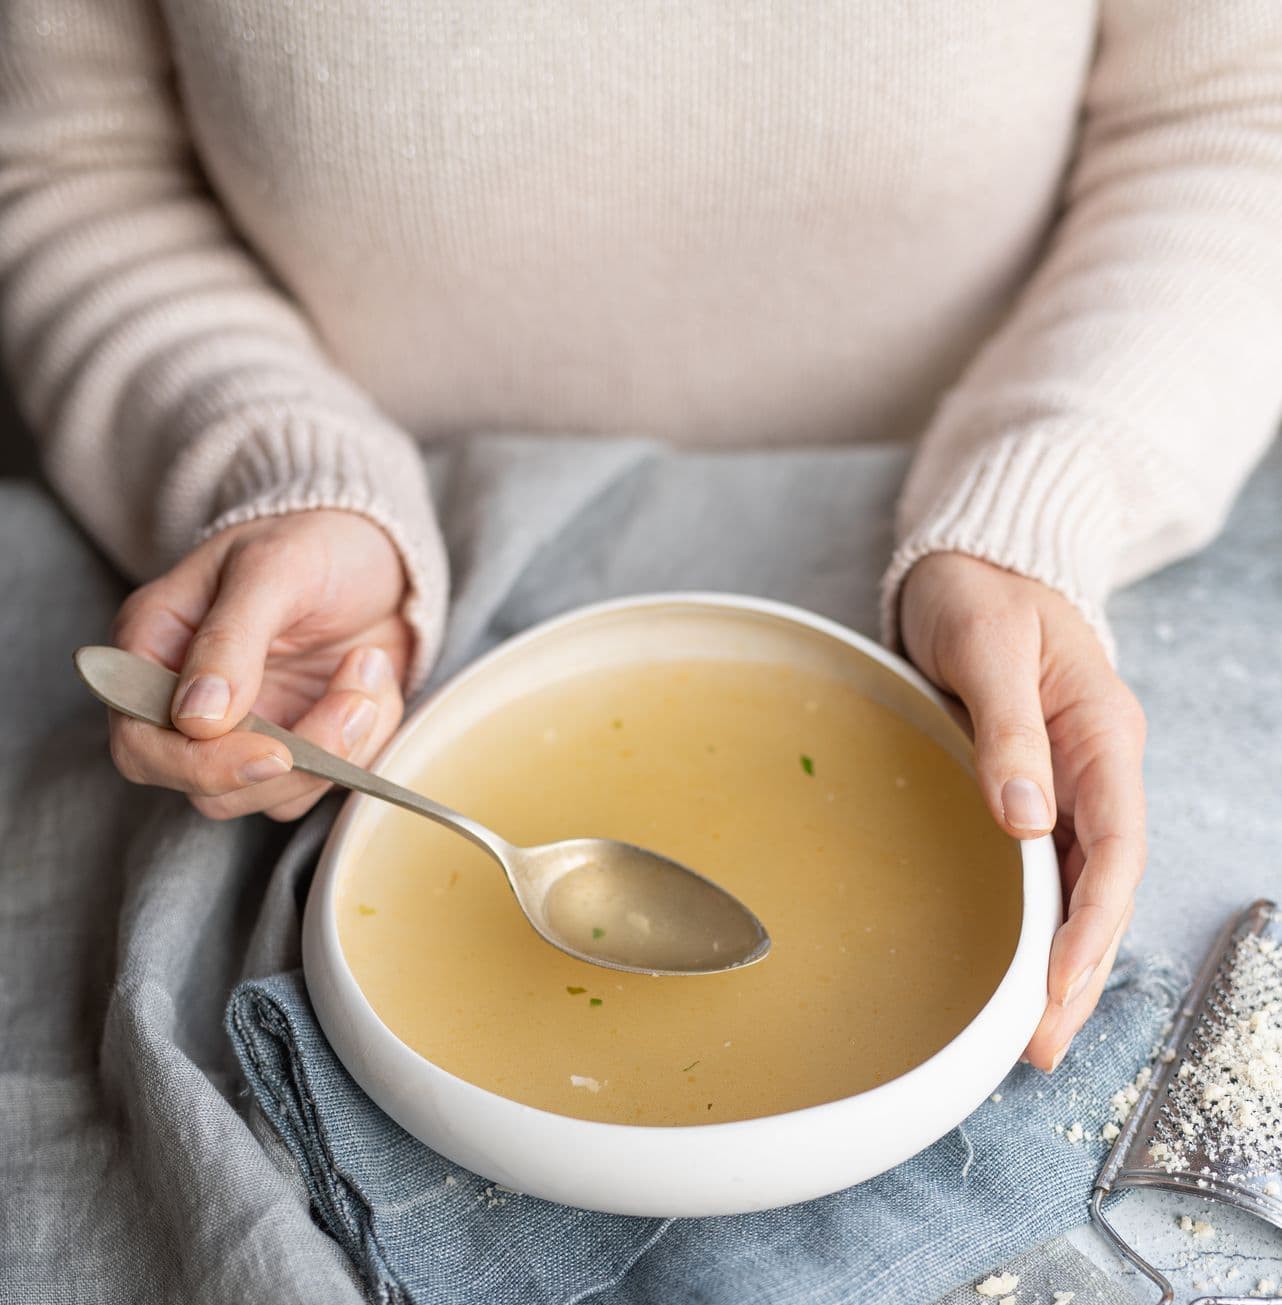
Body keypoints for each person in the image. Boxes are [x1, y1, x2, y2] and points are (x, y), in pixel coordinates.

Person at [2, 3, 1280, 1074]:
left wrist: (1037, 507)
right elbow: (77, 167)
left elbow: (1229, 120)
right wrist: (278, 469)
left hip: (979, 593)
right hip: (380, 602)